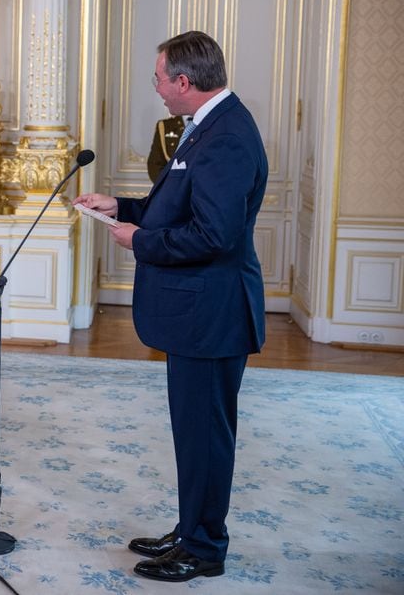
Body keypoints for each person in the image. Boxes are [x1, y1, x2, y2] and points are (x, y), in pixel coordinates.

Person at [74, 31, 268, 583]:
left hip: (212, 314)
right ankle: (191, 528)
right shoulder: (206, 126)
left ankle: (204, 549)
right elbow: (179, 204)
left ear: (184, 82)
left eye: (159, 79)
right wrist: (123, 206)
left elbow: (214, 235)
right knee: (193, 431)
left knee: (205, 434)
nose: (156, 89)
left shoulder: (226, 136)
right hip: (199, 312)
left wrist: (140, 241)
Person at [146, 115, 186, 183]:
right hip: (173, 187)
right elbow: (155, 164)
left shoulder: (208, 124)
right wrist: (169, 188)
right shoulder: (165, 126)